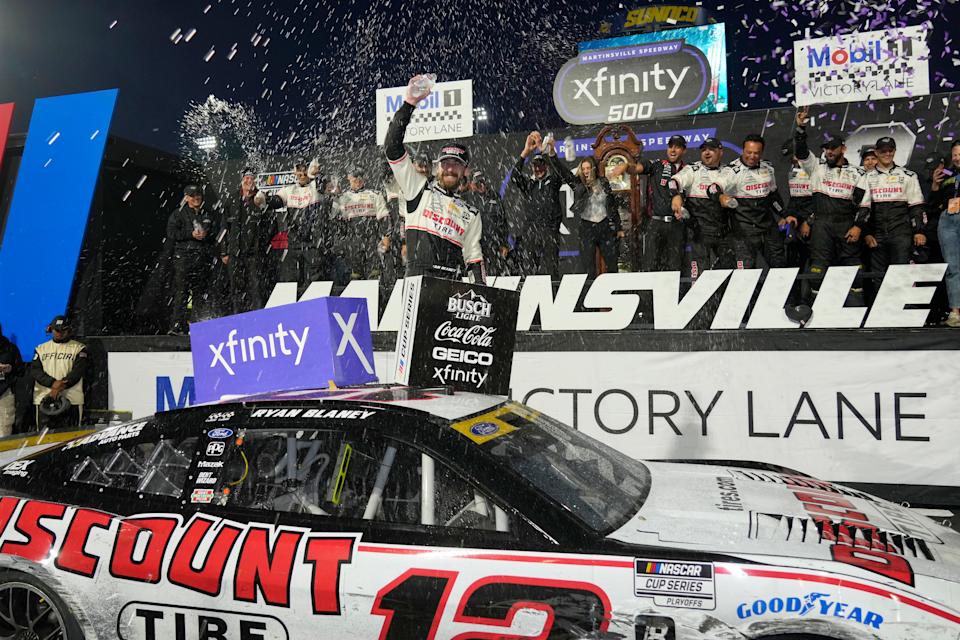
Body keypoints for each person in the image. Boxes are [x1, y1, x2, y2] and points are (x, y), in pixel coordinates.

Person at [383, 75, 484, 283]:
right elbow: (392, 148)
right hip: (417, 282)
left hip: (452, 286)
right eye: (446, 163)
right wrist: (409, 104)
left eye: (456, 164)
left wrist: (482, 295)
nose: (450, 169)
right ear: (438, 166)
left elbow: (474, 260)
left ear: (465, 170)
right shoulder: (418, 189)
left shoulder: (472, 215)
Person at [793, 107, 869, 304]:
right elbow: (801, 152)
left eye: (833, 148)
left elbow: (865, 204)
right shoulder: (816, 167)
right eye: (826, 148)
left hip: (846, 225)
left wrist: (858, 226)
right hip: (822, 225)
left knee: (854, 270)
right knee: (817, 269)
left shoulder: (857, 173)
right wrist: (801, 128)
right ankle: (817, 312)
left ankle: (856, 310)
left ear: (843, 149)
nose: (829, 152)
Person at [258, 159, 336, 295]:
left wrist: (315, 175)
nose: (301, 173)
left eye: (304, 169)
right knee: (292, 281)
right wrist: (264, 199)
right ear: (294, 172)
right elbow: (276, 201)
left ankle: (316, 310)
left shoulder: (316, 186)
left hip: (313, 243)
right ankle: (294, 312)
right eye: (298, 170)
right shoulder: (289, 190)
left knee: (316, 281)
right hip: (294, 243)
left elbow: (325, 185)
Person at [855, 136, 926, 279]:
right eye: (883, 151)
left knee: (901, 273)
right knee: (878, 276)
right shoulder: (865, 177)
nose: (887, 154)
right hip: (877, 235)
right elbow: (860, 208)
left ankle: (906, 302)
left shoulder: (909, 176)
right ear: (876, 152)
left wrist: (918, 231)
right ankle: (881, 302)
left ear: (895, 151)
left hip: (901, 233)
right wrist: (867, 234)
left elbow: (916, 207)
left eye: (890, 150)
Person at [551, 147, 624, 278]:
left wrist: (619, 227)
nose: (585, 172)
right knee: (588, 267)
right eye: (583, 169)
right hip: (587, 227)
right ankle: (591, 294)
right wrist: (552, 154)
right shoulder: (578, 184)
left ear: (593, 169)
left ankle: (616, 293)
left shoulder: (603, 182)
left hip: (604, 226)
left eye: (588, 168)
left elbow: (612, 205)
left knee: (612, 264)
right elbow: (563, 172)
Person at [719, 134, 789, 270]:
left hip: (768, 227)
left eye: (756, 153)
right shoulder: (731, 171)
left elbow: (773, 197)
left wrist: (784, 214)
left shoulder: (768, 168)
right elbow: (713, 189)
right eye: (748, 152)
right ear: (743, 150)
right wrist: (721, 197)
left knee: (780, 267)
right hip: (743, 230)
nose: (752, 156)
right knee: (745, 272)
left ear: (761, 153)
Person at [669, 138, 734, 280]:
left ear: (720, 152)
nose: (707, 153)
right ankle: (699, 301)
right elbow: (673, 182)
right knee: (698, 275)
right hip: (698, 232)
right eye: (704, 150)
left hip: (722, 231)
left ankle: (722, 301)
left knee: (730, 272)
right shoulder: (693, 169)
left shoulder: (728, 171)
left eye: (711, 149)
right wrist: (676, 195)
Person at [510, 133, 567, 278]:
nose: (538, 169)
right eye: (535, 166)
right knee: (529, 268)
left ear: (546, 166)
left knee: (551, 267)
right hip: (531, 231)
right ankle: (531, 297)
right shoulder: (529, 184)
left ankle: (554, 296)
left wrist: (543, 149)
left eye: (541, 165)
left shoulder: (554, 181)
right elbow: (515, 176)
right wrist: (525, 152)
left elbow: (560, 171)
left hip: (549, 230)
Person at [627, 134, 687, 272]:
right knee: (650, 265)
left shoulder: (688, 170)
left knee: (675, 266)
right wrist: (626, 166)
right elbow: (636, 168)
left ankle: (672, 294)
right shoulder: (657, 164)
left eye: (677, 147)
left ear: (684, 150)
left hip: (677, 225)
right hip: (655, 223)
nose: (672, 150)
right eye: (670, 146)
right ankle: (648, 294)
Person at [219, 167, 274, 313]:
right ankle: (238, 317)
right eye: (246, 178)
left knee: (256, 287)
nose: (249, 181)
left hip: (254, 253)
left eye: (252, 178)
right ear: (242, 180)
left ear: (255, 181)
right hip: (235, 252)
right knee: (236, 287)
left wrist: (261, 245)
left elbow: (271, 225)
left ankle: (258, 317)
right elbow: (224, 226)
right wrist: (224, 251)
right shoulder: (232, 198)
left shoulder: (261, 198)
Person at [167, 185, 217, 334]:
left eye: (198, 195)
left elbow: (215, 233)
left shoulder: (207, 214)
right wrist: (190, 234)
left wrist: (207, 235)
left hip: (201, 257)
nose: (196, 198)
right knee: (181, 292)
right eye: (193, 195)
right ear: (186, 197)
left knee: (199, 292)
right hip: (183, 257)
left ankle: (197, 326)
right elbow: (171, 233)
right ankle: (177, 325)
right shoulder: (178, 214)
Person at [31, 316, 88, 430]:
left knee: (72, 438)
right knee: (43, 440)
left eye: (63, 330)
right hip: (45, 400)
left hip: (72, 400)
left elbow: (78, 372)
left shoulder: (79, 348)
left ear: (69, 330)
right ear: (50, 329)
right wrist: (52, 383)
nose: (59, 333)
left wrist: (59, 386)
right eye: (57, 330)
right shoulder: (41, 348)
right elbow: (35, 371)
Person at [334, 167, 391, 280]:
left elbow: (384, 218)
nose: (358, 181)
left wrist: (386, 236)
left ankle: (377, 294)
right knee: (355, 275)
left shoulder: (375, 194)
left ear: (364, 178)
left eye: (360, 178)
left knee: (374, 273)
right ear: (349, 178)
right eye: (354, 178)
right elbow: (337, 221)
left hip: (372, 239)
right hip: (353, 240)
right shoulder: (343, 197)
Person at [932, 141, 960, 326]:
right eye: (955, 154)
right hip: (948, 220)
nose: (957, 158)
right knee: (953, 267)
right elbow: (934, 204)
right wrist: (935, 185)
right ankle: (955, 311)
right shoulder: (948, 175)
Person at [468, 170, 510, 276]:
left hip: (493, 244)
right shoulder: (468, 199)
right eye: (478, 183)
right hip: (474, 244)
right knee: (475, 274)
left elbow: (502, 222)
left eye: (483, 182)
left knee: (493, 274)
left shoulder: (495, 197)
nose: (481, 185)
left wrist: (504, 244)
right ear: (472, 184)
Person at [0, 323, 23, 437]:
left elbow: (21, 370)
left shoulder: (11, 348)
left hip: (5, 392)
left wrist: (10, 369)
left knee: (5, 428)